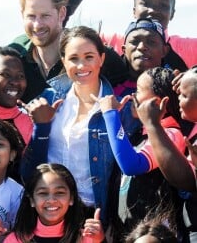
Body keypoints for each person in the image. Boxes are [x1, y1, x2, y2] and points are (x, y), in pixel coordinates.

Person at [20, 26, 133, 228]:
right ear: (63, 61)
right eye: (73, 58)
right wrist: (41, 127)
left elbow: (126, 168)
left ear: (101, 59)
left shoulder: (119, 107)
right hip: (50, 210)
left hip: (95, 213)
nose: (81, 65)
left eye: (89, 56)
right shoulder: (46, 100)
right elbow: (29, 170)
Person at [9, 0, 127, 103]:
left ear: (62, 14)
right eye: (31, 16)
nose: (37, 25)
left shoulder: (96, 54)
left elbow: (130, 82)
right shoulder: (15, 54)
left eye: (45, 16)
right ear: (22, 15)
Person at [95, 67, 187, 239]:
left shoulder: (171, 135)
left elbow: (131, 165)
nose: (132, 96)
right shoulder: (142, 134)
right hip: (129, 230)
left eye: (138, 91)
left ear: (159, 102)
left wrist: (110, 115)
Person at [74, 0, 195, 69]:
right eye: (145, 3)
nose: (153, 10)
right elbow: (60, 33)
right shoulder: (110, 42)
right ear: (134, 10)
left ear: (172, 13)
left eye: (163, 5)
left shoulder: (188, 48)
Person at [134, 66, 197, 241]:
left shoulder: (172, 132)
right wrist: (189, 79)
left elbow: (186, 181)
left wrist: (152, 124)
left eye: (184, 95)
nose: (178, 99)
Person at [0, 163, 105, 243]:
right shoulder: (16, 240)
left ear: (71, 198)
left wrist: (100, 241)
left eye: (59, 192)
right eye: (43, 193)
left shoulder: (87, 238)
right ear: (31, 200)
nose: (51, 200)